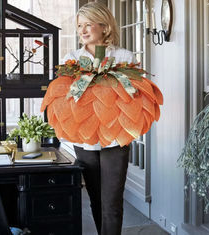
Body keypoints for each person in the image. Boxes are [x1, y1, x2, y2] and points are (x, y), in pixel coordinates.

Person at [62, 2, 137, 235]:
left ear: (104, 27)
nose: (82, 30)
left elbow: (132, 94)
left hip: (116, 137)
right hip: (85, 137)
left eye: (88, 25)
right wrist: (92, 79)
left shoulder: (124, 56)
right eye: (79, 26)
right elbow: (69, 96)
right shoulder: (72, 58)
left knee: (112, 203)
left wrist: (107, 78)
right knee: (96, 200)